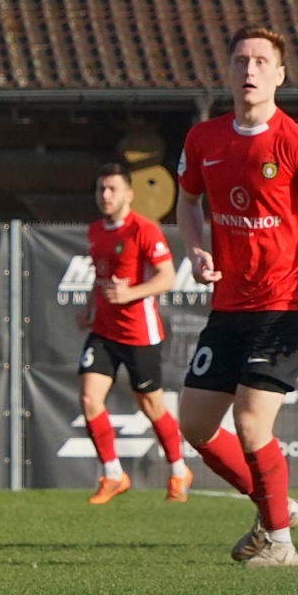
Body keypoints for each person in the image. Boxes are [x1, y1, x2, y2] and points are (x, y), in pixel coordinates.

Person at [174, 27, 298, 569]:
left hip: (285, 306)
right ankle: (272, 506)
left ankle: (280, 542)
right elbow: (187, 204)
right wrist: (195, 250)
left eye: (262, 61)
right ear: (229, 71)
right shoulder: (204, 140)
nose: (250, 69)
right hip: (228, 306)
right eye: (241, 60)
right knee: (194, 425)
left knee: (253, 422)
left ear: (280, 75)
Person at [74, 163, 190, 505]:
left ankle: (179, 470)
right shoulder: (95, 230)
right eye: (100, 189)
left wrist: (131, 293)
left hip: (140, 333)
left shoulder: (144, 230)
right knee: (88, 398)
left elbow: (167, 277)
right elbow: (100, 275)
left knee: (151, 405)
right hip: (104, 331)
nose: (105, 196)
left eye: (111, 189)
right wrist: (88, 307)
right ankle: (113, 474)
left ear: (129, 194)